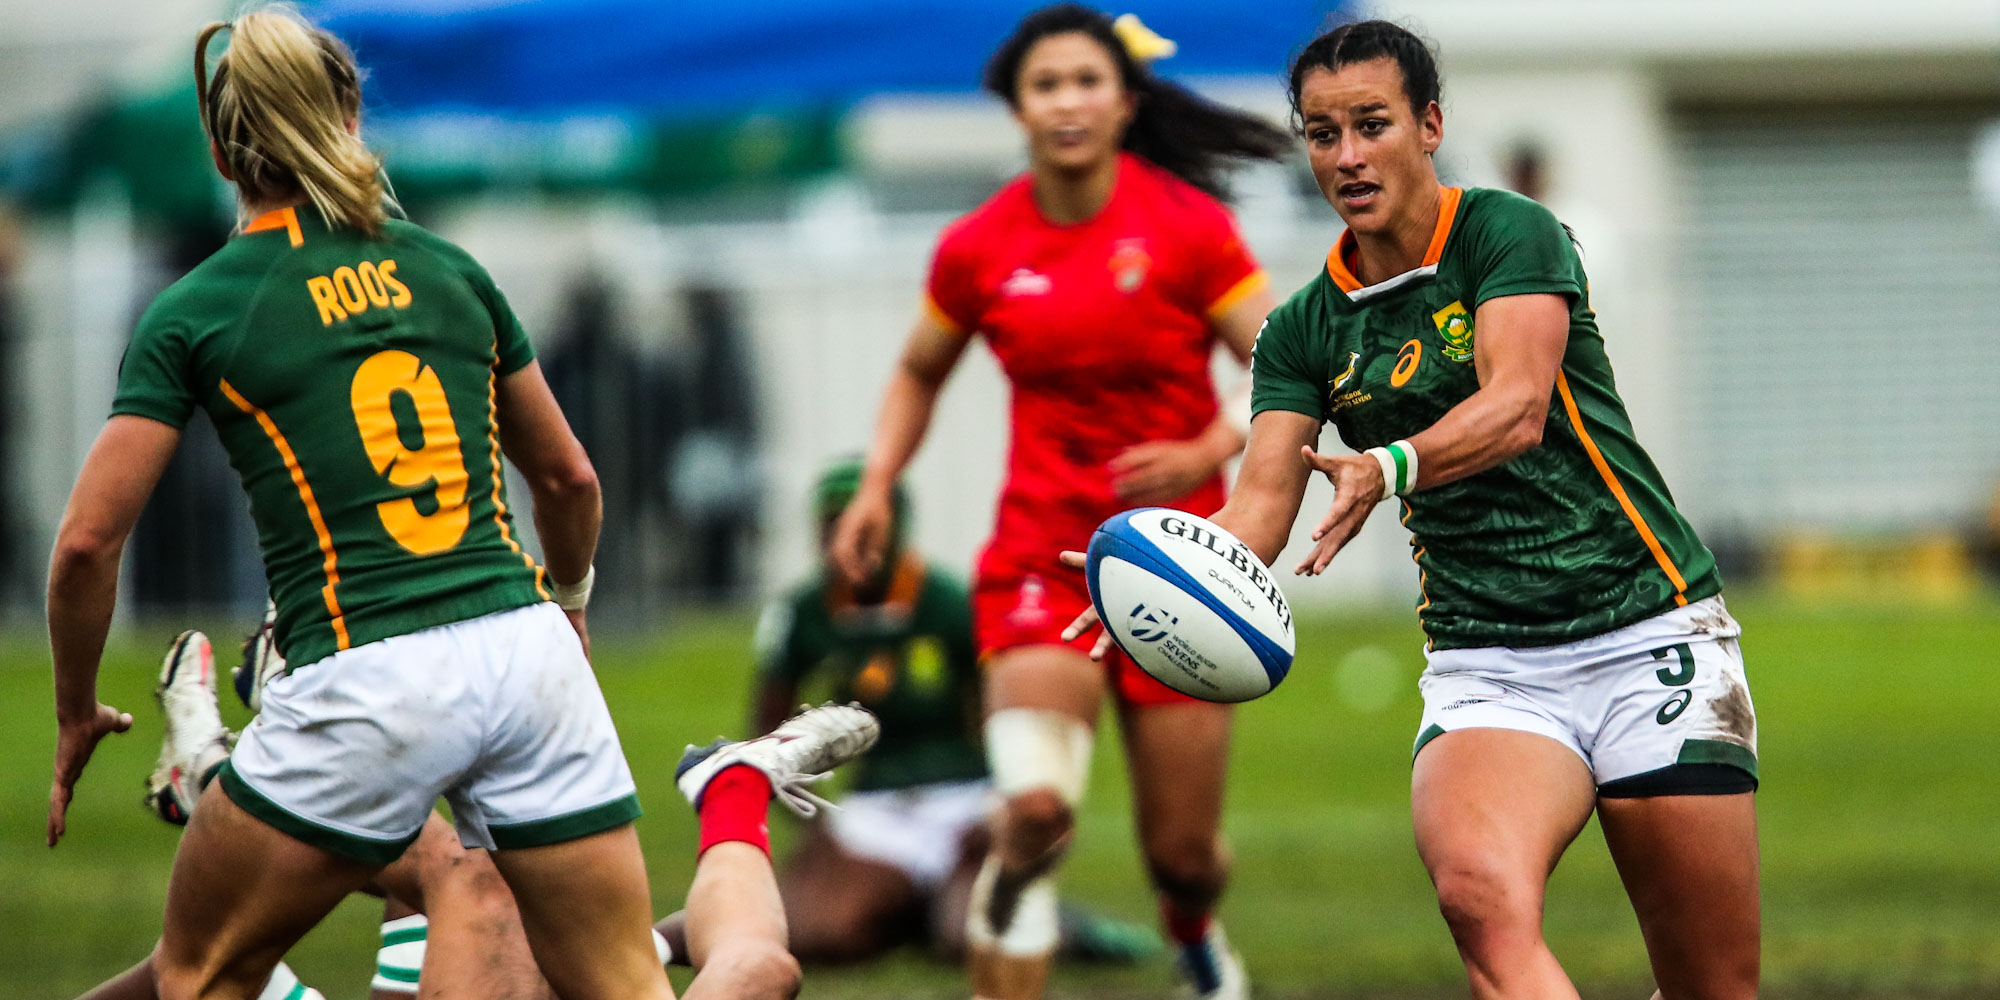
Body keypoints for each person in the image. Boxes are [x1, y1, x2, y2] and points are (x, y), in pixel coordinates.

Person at [43, 10, 872, 1000]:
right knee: (609, 970)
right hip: (522, 652)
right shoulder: (446, 267)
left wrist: (75, 708)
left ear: (220, 150)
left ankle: (214, 767)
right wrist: (567, 605)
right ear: (350, 116)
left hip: (366, 671)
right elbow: (569, 480)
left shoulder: (200, 306)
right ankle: (730, 795)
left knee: (204, 972)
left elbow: (90, 543)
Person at [1064, 20, 1760, 1000]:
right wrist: (1152, 571)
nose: (1345, 156)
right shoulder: (1301, 330)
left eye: (1370, 124)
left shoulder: (1505, 232)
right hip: (1490, 664)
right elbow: (1257, 510)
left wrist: (1383, 465)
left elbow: (1515, 405)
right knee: (1478, 897)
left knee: (1711, 985)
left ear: (1427, 124)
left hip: (1648, 630)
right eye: (1319, 133)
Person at [829, 7, 1287, 998]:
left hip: (1184, 567)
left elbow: (1281, 364)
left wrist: (1211, 443)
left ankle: (1195, 933)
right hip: (1042, 559)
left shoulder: (1187, 228)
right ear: (1016, 107)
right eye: (1046, 84)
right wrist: (876, 482)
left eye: (1086, 81)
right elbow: (917, 371)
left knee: (1183, 855)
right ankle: (1014, 903)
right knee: (1033, 809)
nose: (1067, 101)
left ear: (1124, 102)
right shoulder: (977, 248)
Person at [659, 460, 1159, 967]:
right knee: (816, 933)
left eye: (859, 519)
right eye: (832, 522)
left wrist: (1000, 805)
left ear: (895, 523)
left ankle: (1073, 930)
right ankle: (652, 944)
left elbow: (1000, 711)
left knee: (969, 936)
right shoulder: (803, 612)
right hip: (876, 811)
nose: (845, 535)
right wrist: (815, 825)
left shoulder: (946, 603)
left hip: (963, 801)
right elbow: (765, 728)